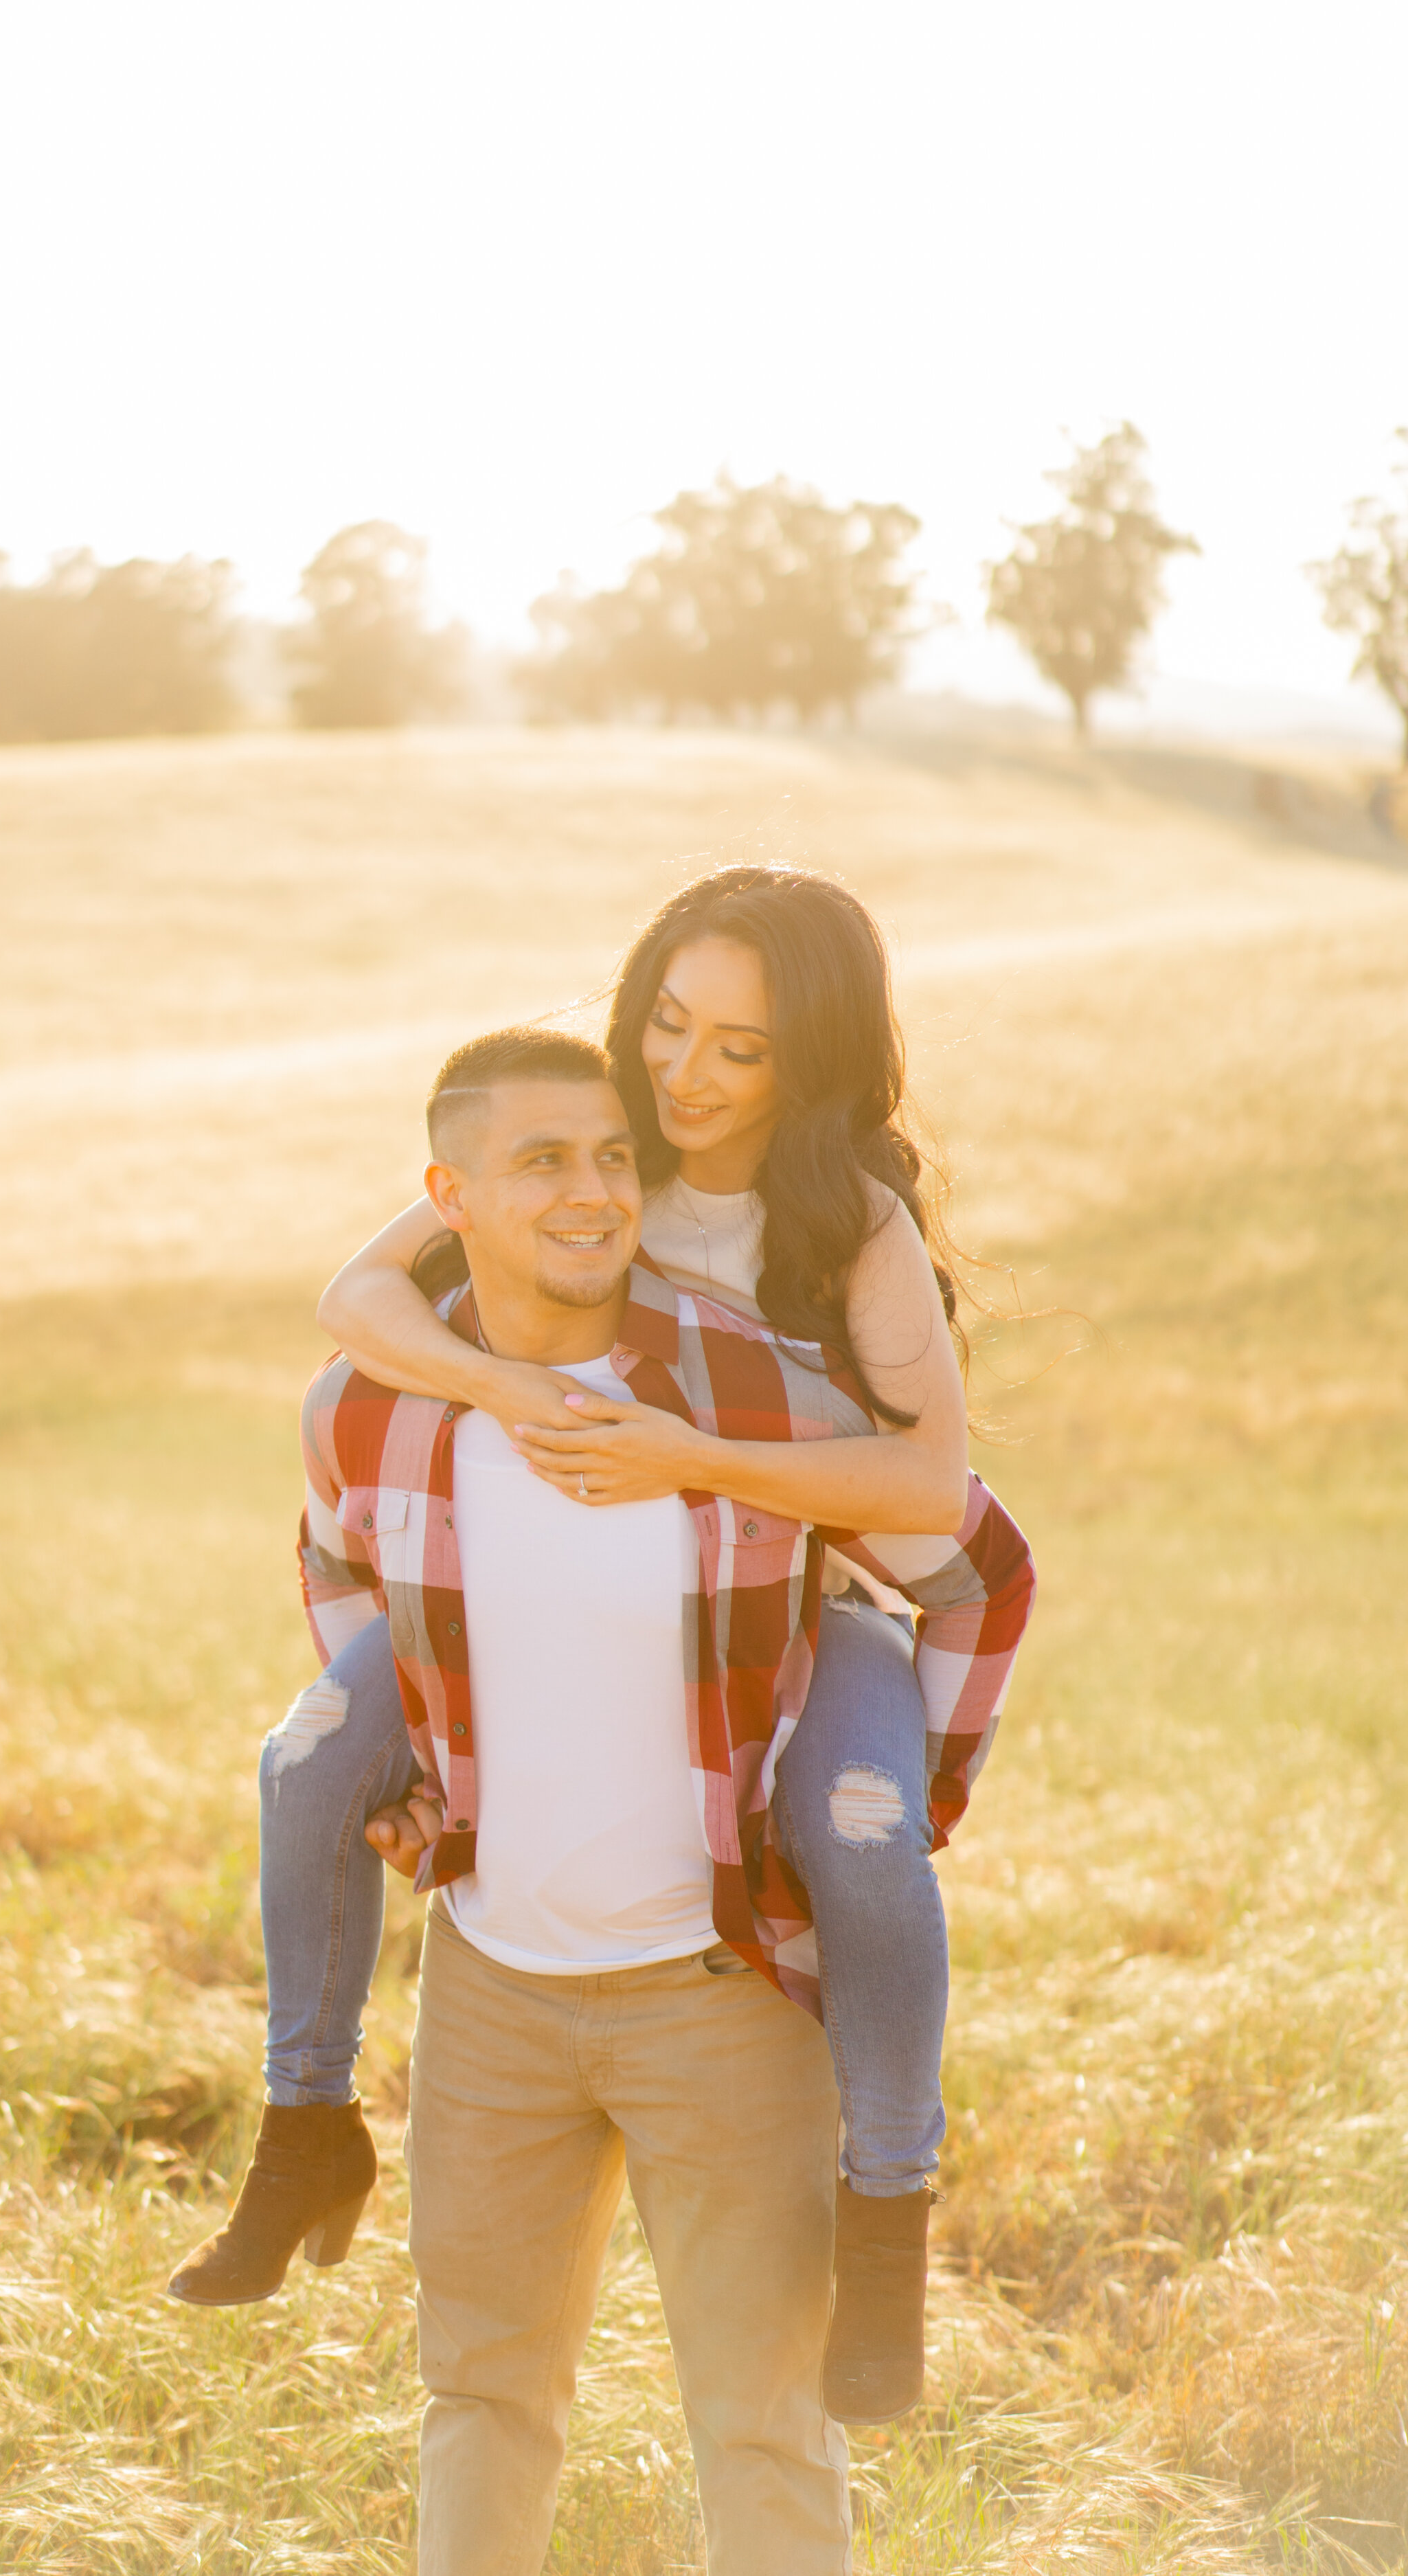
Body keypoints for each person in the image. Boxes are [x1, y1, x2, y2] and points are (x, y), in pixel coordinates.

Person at [170, 868, 1036, 2429]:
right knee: (304, 1756)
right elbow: (356, 1298)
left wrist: (683, 1458)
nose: (685, 1076)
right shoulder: (583, 1138)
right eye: (669, 1024)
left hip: (789, 1585)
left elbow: (924, 1490)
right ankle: (306, 2123)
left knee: (861, 1830)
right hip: (536, 1589)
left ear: (811, 1062)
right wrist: (500, 1394)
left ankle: (887, 2211)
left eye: (740, 1051)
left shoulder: (849, 1223)